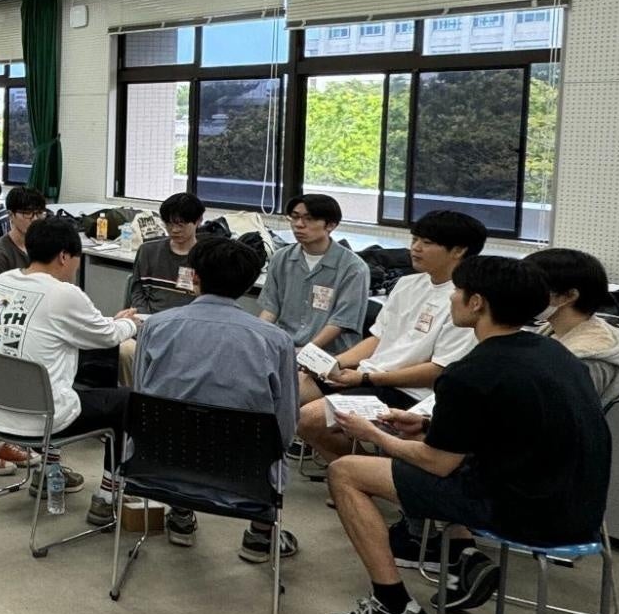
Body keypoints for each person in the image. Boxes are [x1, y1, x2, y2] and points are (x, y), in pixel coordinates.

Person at [324, 256, 612, 614]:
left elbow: (437, 464)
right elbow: (507, 428)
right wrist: (424, 425)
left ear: (477, 303)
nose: (451, 298)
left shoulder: (471, 372)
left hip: (527, 513)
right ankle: (464, 557)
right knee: (420, 443)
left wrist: (373, 434)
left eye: (458, 291)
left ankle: (392, 607)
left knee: (346, 472)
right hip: (580, 508)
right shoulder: (554, 353)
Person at [131, 238, 299, 559]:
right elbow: (286, 422)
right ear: (249, 285)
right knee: (274, 442)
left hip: (158, 465)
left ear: (194, 276)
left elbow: (140, 399)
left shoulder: (155, 326)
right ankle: (260, 535)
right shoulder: (276, 341)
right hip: (246, 477)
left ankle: (180, 515)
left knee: (171, 420)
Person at [0, 216, 141, 525]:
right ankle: (107, 497)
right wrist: (130, 323)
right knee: (127, 401)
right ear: (64, 256)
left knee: (60, 377)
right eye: (76, 260)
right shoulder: (64, 293)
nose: (75, 268)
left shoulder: (4, 280)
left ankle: (48, 472)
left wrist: (110, 324)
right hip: (38, 419)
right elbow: (106, 336)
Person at [295, 210, 486, 468]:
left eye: (427, 243)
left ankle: (366, 474)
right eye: (414, 240)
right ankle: (358, 471)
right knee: (290, 386)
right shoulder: (407, 284)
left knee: (309, 418)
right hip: (370, 377)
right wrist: (334, 365)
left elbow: (438, 370)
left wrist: (365, 378)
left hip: (406, 392)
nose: (415, 248)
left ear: (458, 251)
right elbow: (378, 338)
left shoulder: (464, 302)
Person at [257, 192, 371, 353]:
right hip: (285, 346)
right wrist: (257, 338)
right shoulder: (281, 258)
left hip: (329, 353)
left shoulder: (353, 268)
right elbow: (271, 309)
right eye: (294, 217)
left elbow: (341, 321)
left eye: (309, 219)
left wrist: (305, 352)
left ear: (330, 225)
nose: (298, 224)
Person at [527, 248, 619, 407]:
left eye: (531, 288)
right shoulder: (555, 332)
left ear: (569, 296)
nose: (521, 294)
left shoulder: (587, 361)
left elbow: (560, 414)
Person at [115, 191, 204, 385]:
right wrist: (149, 323)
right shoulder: (148, 251)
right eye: (169, 224)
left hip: (187, 330)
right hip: (150, 326)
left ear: (198, 221)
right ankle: (137, 396)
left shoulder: (205, 257)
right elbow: (138, 292)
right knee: (124, 349)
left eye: (181, 224)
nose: (174, 230)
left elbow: (206, 304)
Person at [0, 185, 47, 305]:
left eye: (39, 213)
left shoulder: (43, 247)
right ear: (10, 215)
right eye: (27, 213)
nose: (35, 219)